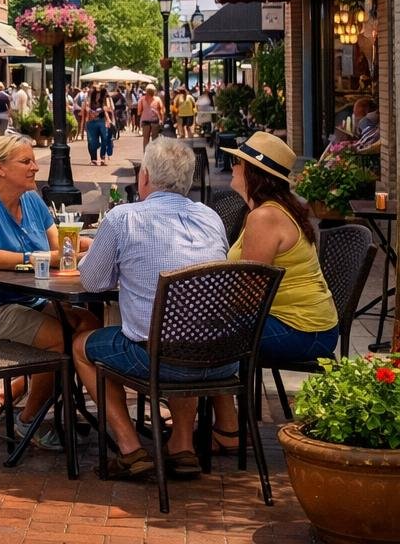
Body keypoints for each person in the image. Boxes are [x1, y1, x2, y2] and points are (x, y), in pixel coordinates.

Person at [71, 137, 230, 480]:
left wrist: (95, 256)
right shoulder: (211, 217)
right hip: (220, 357)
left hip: (158, 358)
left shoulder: (123, 219)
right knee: (186, 328)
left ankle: (130, 449)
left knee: (82, 346)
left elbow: (94, 283)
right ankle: (182, 446)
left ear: (144, 177)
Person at [0, 135, 98, 449]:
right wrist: (35, 259)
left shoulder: (31, 200)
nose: (35, 167)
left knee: (88, 325)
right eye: (26, 162)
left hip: (30, 299)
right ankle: (28, 421)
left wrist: (103, 242)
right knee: (61, 339)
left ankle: (13, 397)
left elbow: (60, 245)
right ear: (0, 168)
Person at [207, 133, 338, 453]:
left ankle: (228, 430)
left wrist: (206, 302)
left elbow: (249, 296)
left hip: (303, 330)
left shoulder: (264, 217)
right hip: (311, 325)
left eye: (238, 162)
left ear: (254, 173)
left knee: (204, 337)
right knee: (209, 329)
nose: (233, 167)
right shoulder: (274, 209)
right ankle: (229, 426)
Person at [84, 86, 110, 166]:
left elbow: (108, 107)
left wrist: (101, 110)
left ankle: (102, 158)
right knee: (91, 141)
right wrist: (91, 111)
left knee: (105, 139)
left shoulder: (105, 97)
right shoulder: (90, 95)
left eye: (100, 92)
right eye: (96, 92)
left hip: (102, 120)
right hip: (91, 121)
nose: (98, 94)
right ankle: (93, 159)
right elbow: (86, 106)